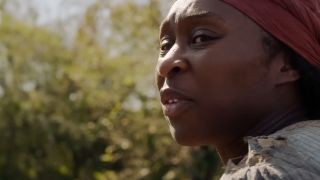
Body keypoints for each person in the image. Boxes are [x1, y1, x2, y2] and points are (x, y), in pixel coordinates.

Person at [156, 0, 320, 179]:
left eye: (201, 38)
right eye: (165, 46)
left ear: (286, 65)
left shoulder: (270, 173)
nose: (165, 64)